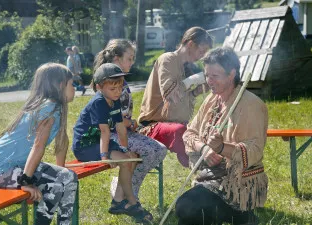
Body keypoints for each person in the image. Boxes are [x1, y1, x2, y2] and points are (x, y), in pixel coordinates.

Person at [175, 47, 268, 225]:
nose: (209, 81)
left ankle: (240, 215)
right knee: (186, 209)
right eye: (207, 75)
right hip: (211, 176)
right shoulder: (212, 99)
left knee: (187, 208)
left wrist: (222, 147)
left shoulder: (251, 105)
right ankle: (235, 217)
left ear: (231, 73)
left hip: (238, 181)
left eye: (215, 76)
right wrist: (204, 149)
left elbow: (255, 150)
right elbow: (190, 132)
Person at [0, 63, 77, 225]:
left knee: (68, 177)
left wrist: (61, 170)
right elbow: (38, 147)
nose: (74, 88)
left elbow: (62, 141)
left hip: (18, 168)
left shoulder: (56, 107)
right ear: (61, 86)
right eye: (71, 84)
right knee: (55, 186)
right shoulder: (48, 109)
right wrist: (26, 182)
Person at [72, 63, 153, 223]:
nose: (117, 92)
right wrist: (104, 156)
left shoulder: (114, 101)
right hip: (85, 145)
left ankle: (117, 201)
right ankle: (132, 202)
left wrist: (124, 148)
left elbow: (121, 128)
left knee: (132, 157)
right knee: (125, 160)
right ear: (99, 87)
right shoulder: (99, 102)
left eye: (120, 87)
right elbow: (104, 131)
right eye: (113, 89)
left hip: (102, 142)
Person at [93, 38, 167, 201]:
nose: (132, 62)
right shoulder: (108, 84)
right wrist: (131, 123)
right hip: (111, 136)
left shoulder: (122, 82)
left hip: (125, 132)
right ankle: (127, 196)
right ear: (116, 59)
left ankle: (124, 189)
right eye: (129, 58)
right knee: (147, 151)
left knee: (160, 150)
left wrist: (130, 124)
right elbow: (110, 120)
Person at [138, 26, 213, 168]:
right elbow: (170, 95)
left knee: (202, 132)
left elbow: (182, 99)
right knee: (182, 132)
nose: (202, 56)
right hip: (152, 126)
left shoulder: (185, 66)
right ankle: (202, 169)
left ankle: (203, 171)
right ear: (190, 44)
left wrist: (197, 91)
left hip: (172, 125)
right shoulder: (168, 59)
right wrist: (192, 80)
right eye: (201, 51)